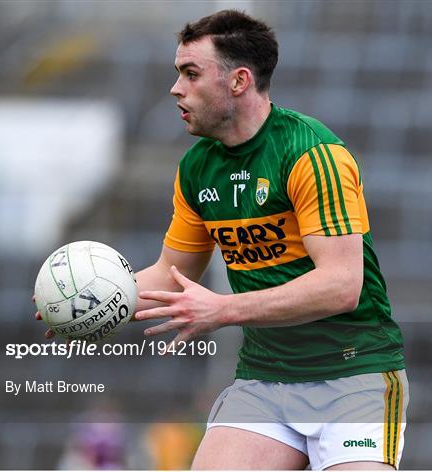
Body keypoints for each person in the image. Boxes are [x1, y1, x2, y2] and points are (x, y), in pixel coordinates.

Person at [36, 9, 408, 470]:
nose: (176, 88)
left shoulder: (311, 154)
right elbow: (172, 278)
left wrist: (223, 309)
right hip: (265, 381)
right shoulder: (196, 168)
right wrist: (90, 306)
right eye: (178, 74)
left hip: (353, 377)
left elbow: (342, 286)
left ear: (239, 81)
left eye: (191, 74)